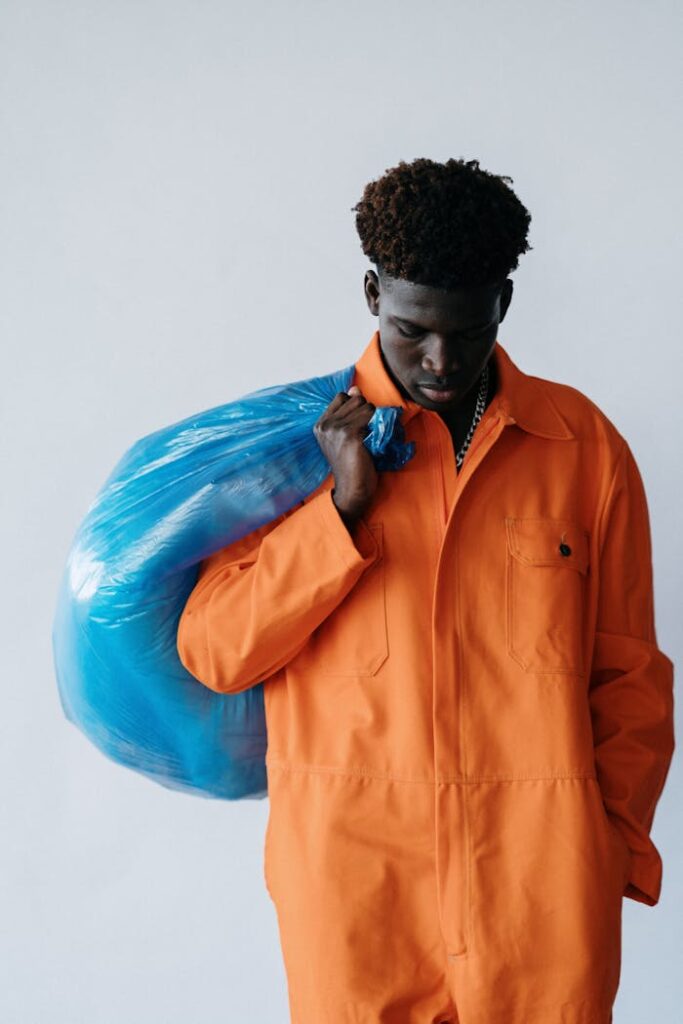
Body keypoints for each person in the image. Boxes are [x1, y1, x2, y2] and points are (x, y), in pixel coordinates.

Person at [176, 157, 675, 1024]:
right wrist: (338, 512)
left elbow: (628, 675)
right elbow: (217, 652)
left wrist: (605, 849)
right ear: (373, 294)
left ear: (502, 308)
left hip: (540, 894)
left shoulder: (580, 447)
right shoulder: (291, 448)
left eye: (466, 330)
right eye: (413, 331)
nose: (440, 360)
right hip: (354, 897)